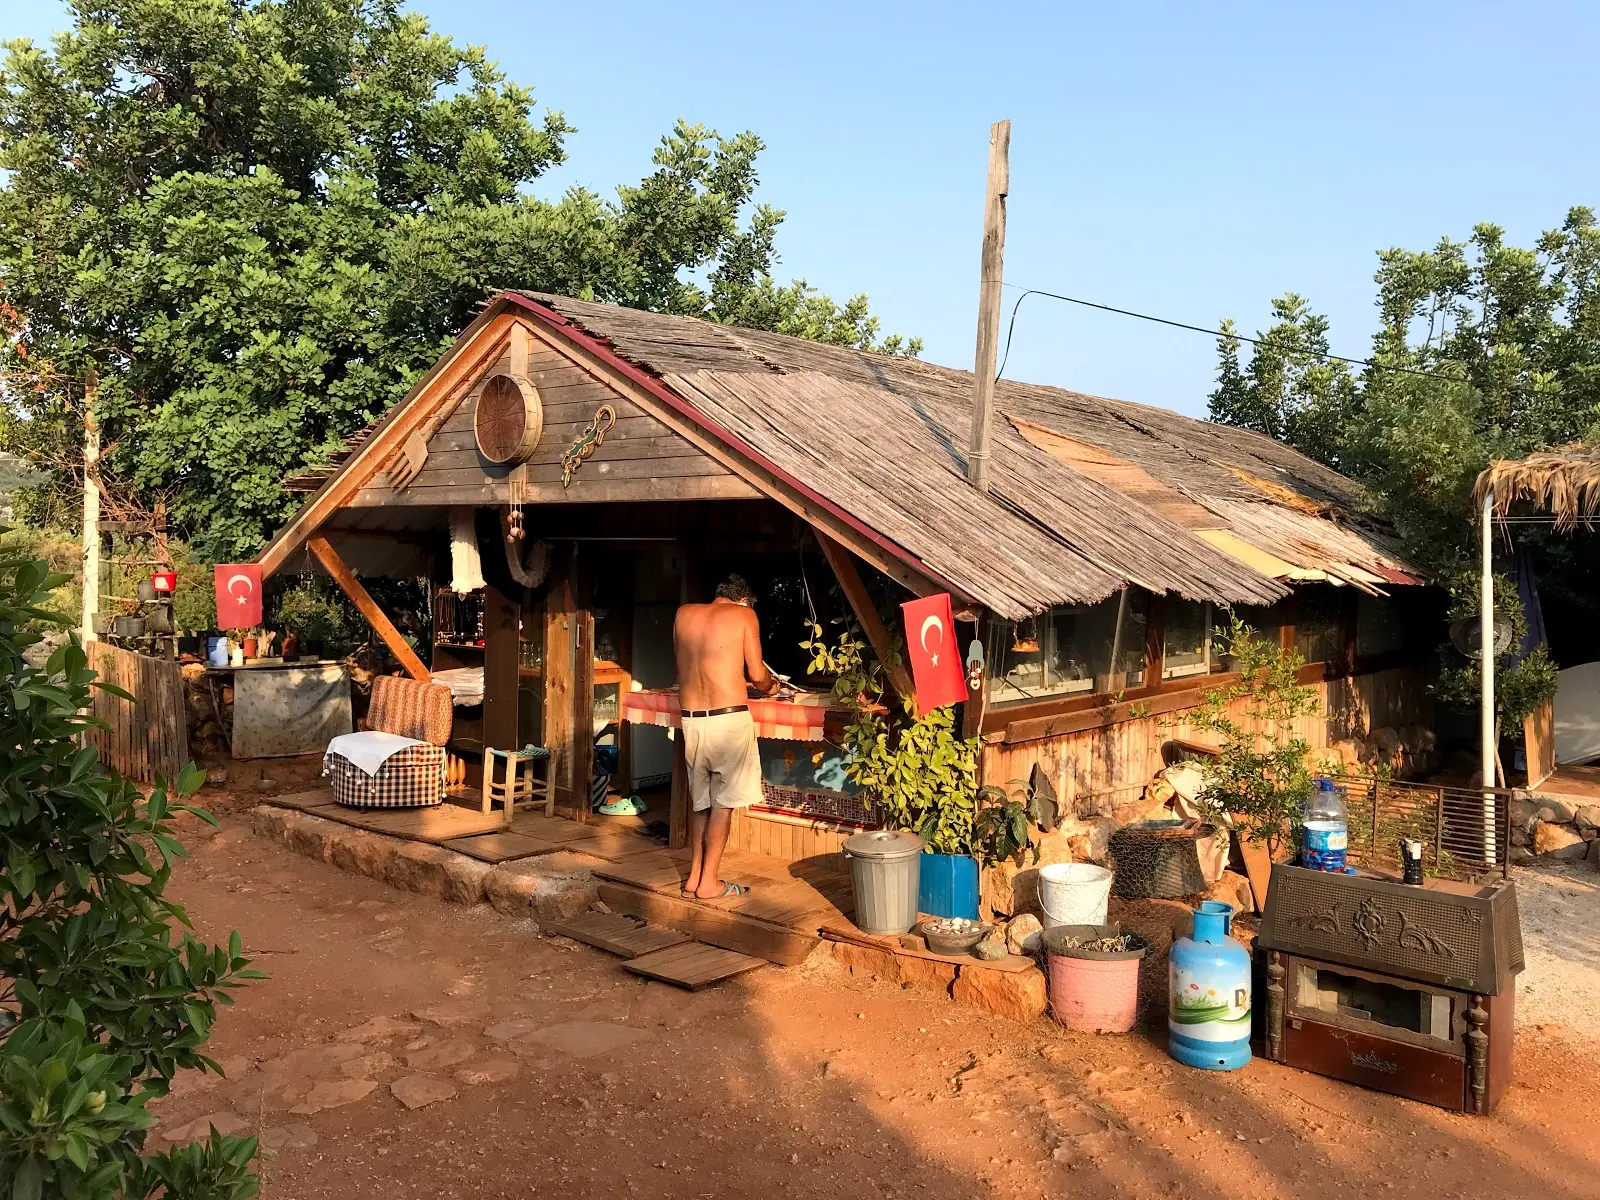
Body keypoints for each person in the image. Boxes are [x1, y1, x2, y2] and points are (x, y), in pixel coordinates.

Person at [673, 573, 779, 900]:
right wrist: (772, 686)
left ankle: (694, 876)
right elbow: (757, 674)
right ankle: (709, 882)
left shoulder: (683, 614)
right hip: (729, 718)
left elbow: (689, 667)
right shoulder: (744, 615)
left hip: (692, 719)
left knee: (700, 801)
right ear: (744, 600)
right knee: (723, 803)